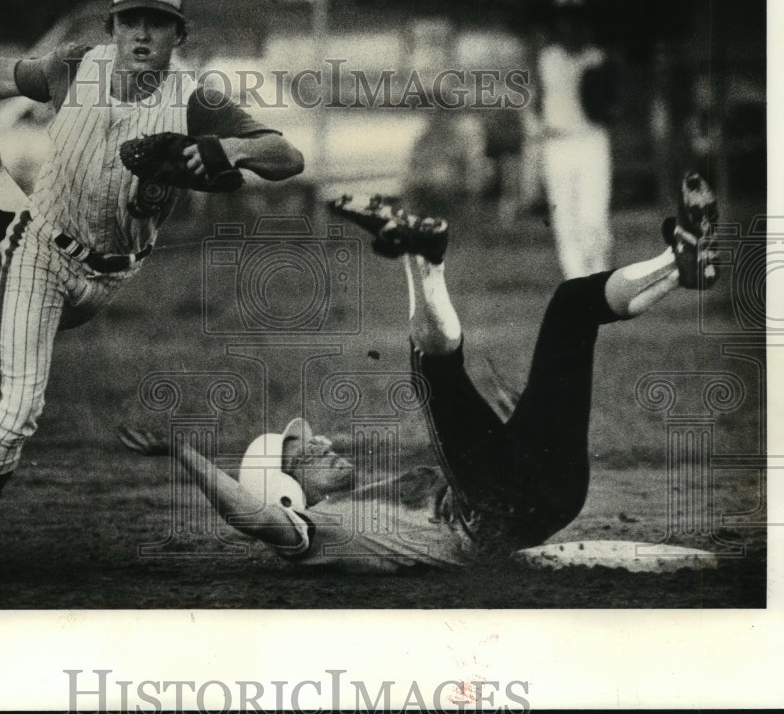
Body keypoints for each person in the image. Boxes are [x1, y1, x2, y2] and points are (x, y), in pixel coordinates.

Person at [0, 0, 304, 578]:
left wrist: (232, 148)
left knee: (31, 248)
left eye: (158, 23)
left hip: (112, 277)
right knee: (17, 409)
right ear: (113, 27)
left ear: (179, 35)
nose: (142, 35)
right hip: (41, 253)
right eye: (130, 21)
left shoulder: (197, 102)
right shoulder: (74, 66)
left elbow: (289, 155)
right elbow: (2, 73)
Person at [118, 174, 718, 569]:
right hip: (499, 509)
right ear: (286, 491)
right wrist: (181, 450)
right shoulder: (316, 532)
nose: (320, 441)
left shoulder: (370, 493)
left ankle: (680, 260)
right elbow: (248, 517)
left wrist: (519, 423)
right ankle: (418, 255)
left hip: (535, 484)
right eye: (302, 452)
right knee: (430, 373)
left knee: (569, 308)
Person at [535, 0, 617, 279]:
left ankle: (599, 280)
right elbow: (534, 102)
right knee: (565, 223)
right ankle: (576, 284)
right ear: (556, 23)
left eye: (577, 18)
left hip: (591, 141)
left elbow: (613, 103)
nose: (570, 25)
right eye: (564, 18)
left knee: (592, 219)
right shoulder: (546, 58)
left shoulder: (598, 58)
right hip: (556, 145)